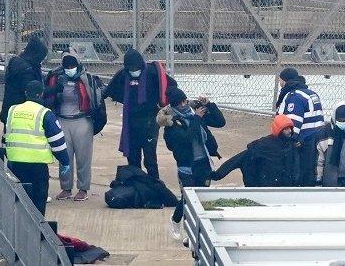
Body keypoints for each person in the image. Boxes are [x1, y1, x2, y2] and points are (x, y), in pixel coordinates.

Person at [157, 87, 225, 237]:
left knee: (202, 197)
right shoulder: (172, 123)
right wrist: (197, 119)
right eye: (182, 103)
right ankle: (175, 220)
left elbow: (220, 122)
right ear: (175, 105)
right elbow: (187, 139)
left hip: (203, 161)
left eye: (186, 100)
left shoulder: (194, 113)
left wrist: (210, 105)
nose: (185, 104)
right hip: (187, 165)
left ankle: (197, 230)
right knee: (187, 198)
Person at [104, 48, 176, 180]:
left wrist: (161, 104)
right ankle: (137, 187)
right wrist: (122, 99)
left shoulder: (153, 73)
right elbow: (109, 90)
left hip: (150, 120)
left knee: (150, 159)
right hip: (131, 121)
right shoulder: (123, 74)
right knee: (133, 159)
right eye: (130, 68)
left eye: (135, 68)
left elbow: (172, 85)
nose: (133, 70)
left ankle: (154, 187)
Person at [4, 81, 70, 217]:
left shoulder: (12, 110)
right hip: (37, 166)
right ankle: (36, 232)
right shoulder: (45, 114)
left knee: (19, 202)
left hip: (14, 163)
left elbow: (6, 134)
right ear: (41, 94)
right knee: (38, 203)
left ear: (26, 93)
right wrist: (64, 161)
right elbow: (57, 141)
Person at [44, 54, 103, 202]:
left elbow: (96, 99)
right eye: (67, 67)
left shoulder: (87, 78)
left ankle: (83, 188)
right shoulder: (56, 78)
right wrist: (57, 89)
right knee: (65, 157)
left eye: (72, 66)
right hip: (62, 120)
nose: (70, 69)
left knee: (84, 157)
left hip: (82, 121)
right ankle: (66, 188)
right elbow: (47, 95)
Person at [211, 115, 300, 187]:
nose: (289, 131)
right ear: (279, 130)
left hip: (284, 186)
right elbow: (235, 160)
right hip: (263, 186)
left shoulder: (292, 145)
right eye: (285, 129)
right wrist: (217, 175)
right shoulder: (261, 146)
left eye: (290, 129)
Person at [274, 67, 324, 186]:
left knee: (301, 173)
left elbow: (292, 124)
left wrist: (289, 142)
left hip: (304, 143)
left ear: (284, 81)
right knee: (313, 170)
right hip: (318, 139)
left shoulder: (294, 96)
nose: (280, 84)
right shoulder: (311, 93)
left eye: (280, 81)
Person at [0, 34, 48, 126]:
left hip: (10, 111)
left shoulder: (17, 62)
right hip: (21, 113)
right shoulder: (26, 70)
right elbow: (33, 90)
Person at [315, 102, 345, 187]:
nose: (342, 122)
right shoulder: (324, 133)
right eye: (339, 120)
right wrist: (318, 181)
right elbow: (319, 162)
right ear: (334, 118)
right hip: (331, 180)